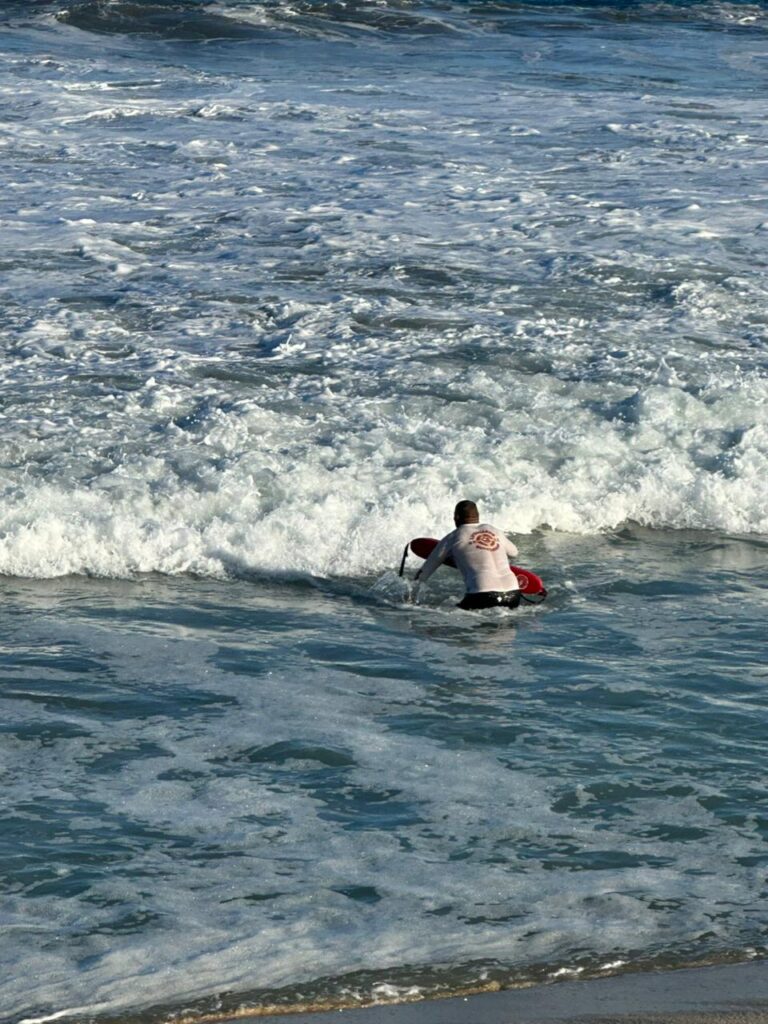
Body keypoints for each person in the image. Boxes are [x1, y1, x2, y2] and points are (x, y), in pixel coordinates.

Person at [413, 500, 521, 610]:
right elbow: (514, 552)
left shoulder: (453, 537)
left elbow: (423, 573)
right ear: (478, 516)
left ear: (456, 517)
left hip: (482, 595)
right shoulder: (494, 530)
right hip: (513, 593)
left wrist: (409, 597)